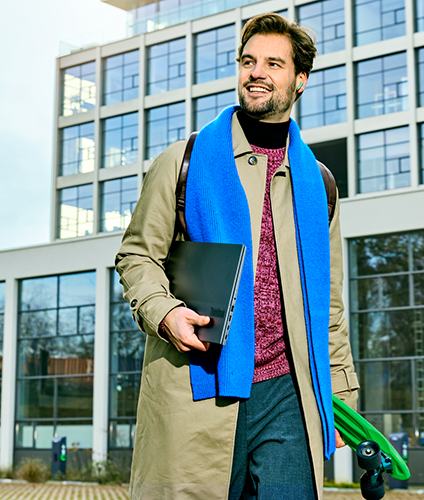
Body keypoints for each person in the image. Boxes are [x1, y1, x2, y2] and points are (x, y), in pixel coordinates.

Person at [114, 12, 359, 500]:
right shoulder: (182, 162)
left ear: (300, 80)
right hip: (199, 380)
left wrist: (342, 398)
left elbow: (329, 307)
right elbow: (137, 256)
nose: (257, 72)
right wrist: (165, 315)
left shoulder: (321, 187)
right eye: (248, 61)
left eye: (273, 62)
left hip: (290, 392)